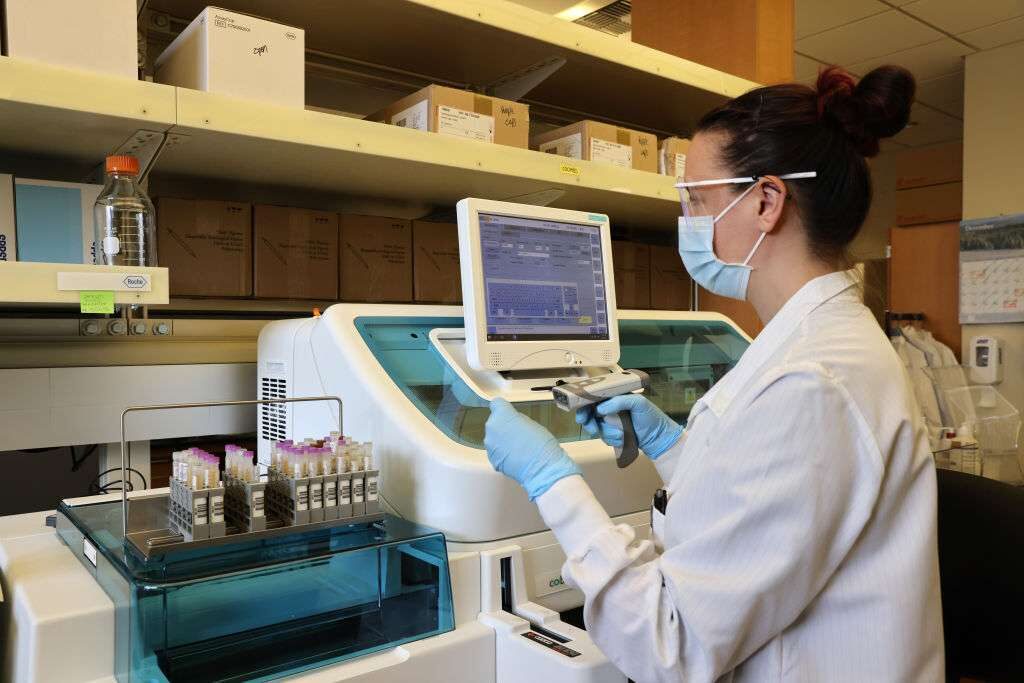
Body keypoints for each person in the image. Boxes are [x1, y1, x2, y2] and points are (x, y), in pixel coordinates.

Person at [484, 65, 944, 682]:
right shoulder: (817, 344)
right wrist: (676, 449)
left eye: (697, 198)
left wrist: (555, 486)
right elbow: (769, 510)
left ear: (766, 202)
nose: (687, 218)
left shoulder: (815, 380)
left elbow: (670, 646)